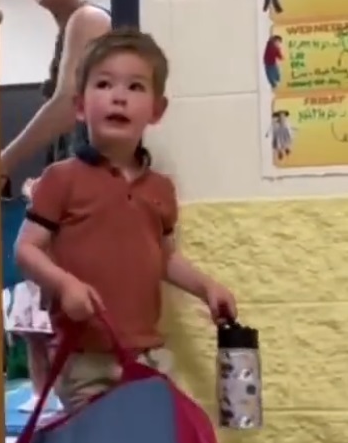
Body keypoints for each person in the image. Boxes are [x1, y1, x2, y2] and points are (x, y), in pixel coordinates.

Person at [14, 28, 238, 411]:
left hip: (148, 354)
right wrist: (66, 285)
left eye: (135, 87)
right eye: (104, 84)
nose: (118, 96)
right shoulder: (61, 179)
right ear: (81, 105)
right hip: (84, 357)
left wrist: (206, 287)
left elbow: (165, 257)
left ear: (156, 110)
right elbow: (26, 249)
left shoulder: (161, 190)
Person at [0, 0, 112, 413]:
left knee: (90, 373)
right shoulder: (69, 32)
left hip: (92, 223)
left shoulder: (89, 20)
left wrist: (3, 161)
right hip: (75, 217)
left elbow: (69, 103)